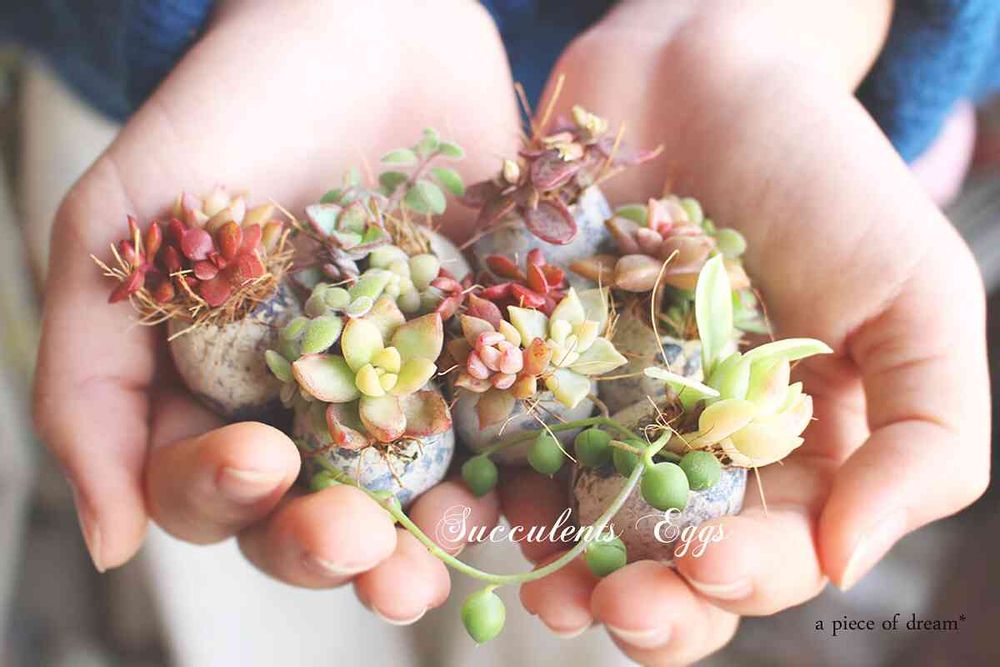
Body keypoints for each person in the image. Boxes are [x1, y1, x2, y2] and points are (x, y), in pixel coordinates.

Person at [26, 1, 994, 664]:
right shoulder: (399, 315)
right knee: (256, 598)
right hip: (197, 80)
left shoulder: (606, 323)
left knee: (594, 606)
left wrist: (794, 23)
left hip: (805, 80)